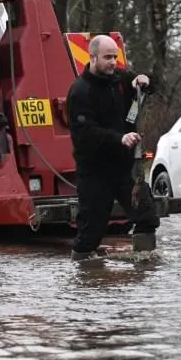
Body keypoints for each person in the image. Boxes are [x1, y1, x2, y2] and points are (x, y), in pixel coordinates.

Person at [66, 34, 160, 260]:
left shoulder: (120, 80)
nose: (112, 62)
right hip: (95, 171)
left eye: (114, 57)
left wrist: (145, 80)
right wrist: (119, 138)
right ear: (92, 57)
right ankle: (86, 277)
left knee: (147, 217)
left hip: (125, 169)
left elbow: (150, 87)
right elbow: (85, 133)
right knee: (90, 235)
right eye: (107, 57)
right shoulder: (80, 91)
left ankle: (145, 266)